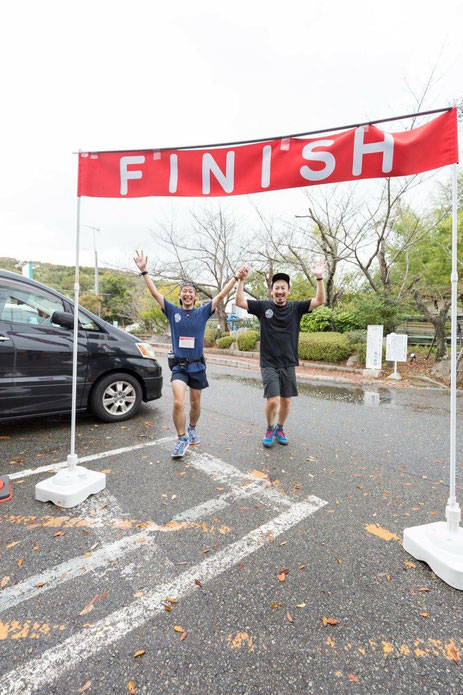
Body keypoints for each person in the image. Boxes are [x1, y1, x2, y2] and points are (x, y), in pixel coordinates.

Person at [134, 250, 247, 458]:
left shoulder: (202, 312)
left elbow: (221, 295)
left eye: (190, 291)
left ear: (195, 296)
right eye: (184, 291)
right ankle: (181, 438)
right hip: (179, 366)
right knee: (178, 402)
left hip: (198, 366)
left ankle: (193, 427)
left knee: (195, 404)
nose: (187, 294)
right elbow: (155, 294)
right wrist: (144, 272)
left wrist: (235, 278)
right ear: (179, 295)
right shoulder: (172, 311)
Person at [235, 261, 326, 447]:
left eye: (283, 288)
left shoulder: (296, 308)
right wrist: (240, 281)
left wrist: (319, 278)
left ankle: (280, 427)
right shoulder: (263, 306)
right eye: (277, 288)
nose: (280, 291)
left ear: (288, 291)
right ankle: (270, 427)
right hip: (268, 362)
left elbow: (319, 301)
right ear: (272, 291)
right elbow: (239, 301)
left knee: (285, 400)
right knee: (274, 400)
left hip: (288, 361)